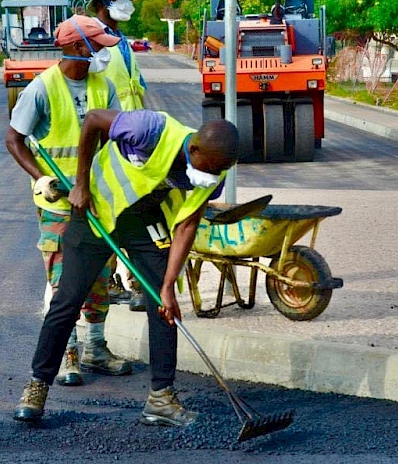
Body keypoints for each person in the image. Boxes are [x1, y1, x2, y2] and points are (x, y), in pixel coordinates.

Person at [13, 109, 239, 426]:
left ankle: (161, 398)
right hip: (97, 210)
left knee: (164, 305)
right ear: (195, 149)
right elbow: (92, 120)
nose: (214, 176)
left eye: (222, 170)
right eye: (212, 167)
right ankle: (37, 386)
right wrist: (81, 184)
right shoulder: (149, 129)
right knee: (68, 301)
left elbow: (187, 225)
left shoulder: (215, 169)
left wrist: (168, 285)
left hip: (144, 221)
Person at [5, 15, 131, 389]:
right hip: (58, 204)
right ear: (79, 47)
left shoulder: (103, 85)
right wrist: (40, 177)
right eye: (100, 45)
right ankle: (67, 352)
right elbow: (14, 139)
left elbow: (114, 138)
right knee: (64, 282)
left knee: (99, 276)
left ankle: (95, 347)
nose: (105, 52)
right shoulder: (42, 89)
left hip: (97, 201)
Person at [88, 0, 150, 312]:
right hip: (107, 139)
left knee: (139, 207)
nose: (126, 2)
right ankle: (110, 279)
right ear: (101, 4)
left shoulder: (121, 40)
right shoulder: (91, 42)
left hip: (133, 138)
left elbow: (135, 87)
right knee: (113, 210)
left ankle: (137, 280)